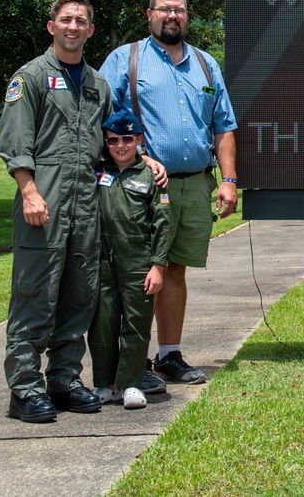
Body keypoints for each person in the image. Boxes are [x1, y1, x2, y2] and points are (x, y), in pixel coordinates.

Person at [99, 0, 238, 385]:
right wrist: (139, 157)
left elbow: (223, 125)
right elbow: (104, 120)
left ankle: (168, 355)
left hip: (195, 185)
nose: (172, 16)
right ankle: (133, 359)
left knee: (175, 271)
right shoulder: (126, 60)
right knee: (139, 270)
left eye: (179, 10)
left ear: (187, 17)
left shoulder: (205, 64)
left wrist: (228, 181)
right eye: (165, 10)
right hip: (142, 186)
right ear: (149, 14)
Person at [0, 0, 112, 422]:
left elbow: (114, 142)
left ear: (89, 30)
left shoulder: (97, 84)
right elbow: (15, 144)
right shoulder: (30, 78)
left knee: (78, 296)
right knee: (35, 295)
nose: (72, 27)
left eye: (81, 21)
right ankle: (24, 389)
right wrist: (29, 192)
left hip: (85, 207)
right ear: (52, 27)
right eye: (65, 19)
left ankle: (64, 380)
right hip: (42, 205)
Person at [89, 109, 169, 409]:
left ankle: (131, 383)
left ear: (138, 139)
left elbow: (163, 224)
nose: (120, 146)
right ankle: (106, 383)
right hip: (102, 259)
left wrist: (158, 266)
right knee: (103, 323)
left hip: (138, 259)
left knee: (136, 323)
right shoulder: (98, 171)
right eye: (112, 140)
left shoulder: (152, 177)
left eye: (127, 139)